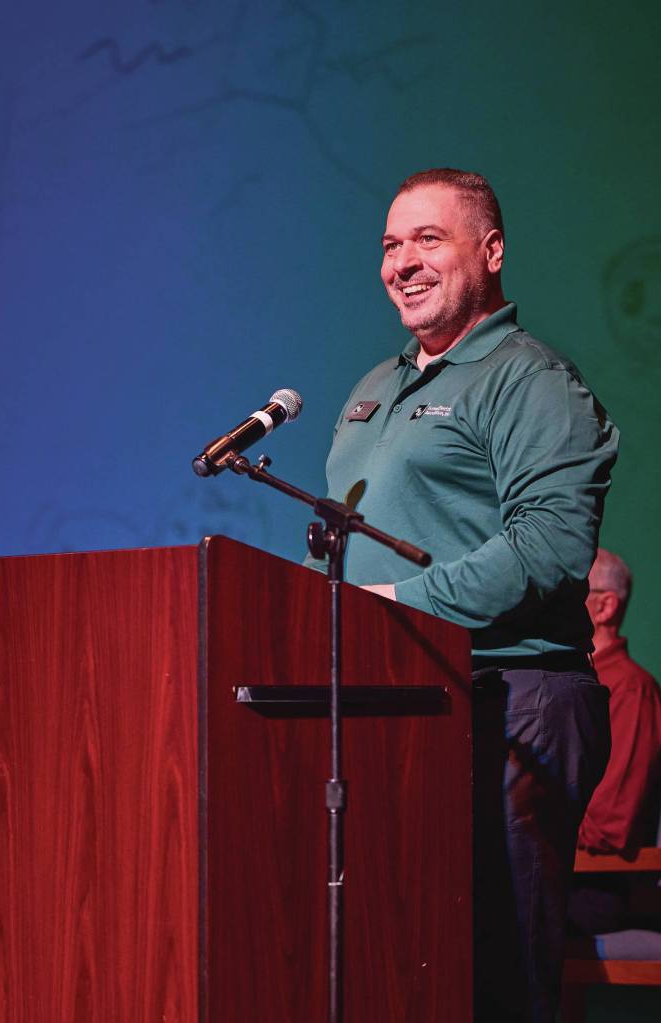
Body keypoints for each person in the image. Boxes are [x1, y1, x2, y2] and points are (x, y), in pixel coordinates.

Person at [306, 169, 619, 1022]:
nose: (401, 262)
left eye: (427, 239)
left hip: (509, 700)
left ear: (491, 251)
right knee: (399, 962)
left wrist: (395, 604)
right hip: (393, 700)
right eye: (389, 244)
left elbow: (551, 549)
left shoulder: (530, 380)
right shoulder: (375, 386)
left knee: (495, 974)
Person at [568, 548, 661, 937]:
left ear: (604, 607)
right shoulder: (572, 683)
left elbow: (609, 828)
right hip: (561, 870)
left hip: (596, 885)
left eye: (569, 591)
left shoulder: (630, 689)